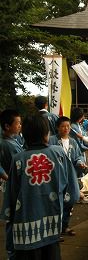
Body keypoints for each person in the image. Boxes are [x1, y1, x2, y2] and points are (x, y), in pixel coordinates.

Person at [0, 115, 80, 260]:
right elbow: (73, 192)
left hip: (25, 228)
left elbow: (11, 196)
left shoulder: (19, 159)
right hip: (52, 223)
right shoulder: (58, 153)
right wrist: (63, 204)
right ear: (46, 134)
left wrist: (9, 216)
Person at [49, 116, 88, 237]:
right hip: (56, 177)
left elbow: (78, 156)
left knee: (69, 201)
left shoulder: (72, 141)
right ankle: (54, 230)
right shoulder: (52, 140)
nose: (66, 128)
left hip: (70, 176)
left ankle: (65, 226)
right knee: (56, 203)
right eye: (63, 126)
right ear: (57, 127)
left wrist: (80, 162)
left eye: (68, 126)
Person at [0, 109, 24, 260]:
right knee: (14, 217)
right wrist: (6, 176)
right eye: (18, 123)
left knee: (12, 217)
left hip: (9, 184)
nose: (20, 125)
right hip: (14, 186)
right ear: (7, 126)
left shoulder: (10, 141)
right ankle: (12, 252)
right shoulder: (10, 145)